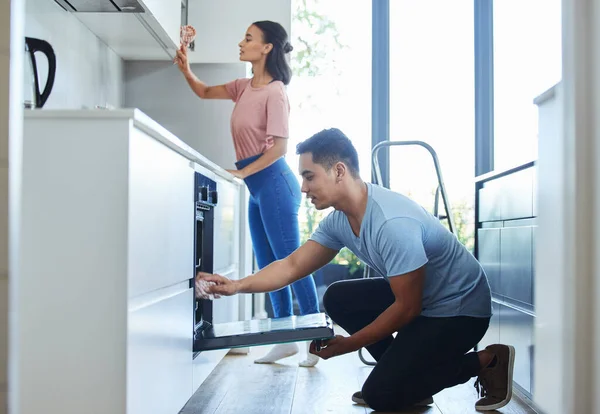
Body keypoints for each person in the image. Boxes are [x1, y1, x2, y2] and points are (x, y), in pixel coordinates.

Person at [196, 128, 516, 412]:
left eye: (309, 176)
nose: (303, 188)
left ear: (338, 171)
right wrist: (235, 285)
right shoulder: (340, 221)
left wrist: (348, 345)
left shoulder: (391, 223)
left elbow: (407, 308)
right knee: (339, 298)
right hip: (427, 301)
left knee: (380, 395)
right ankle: (410, 381)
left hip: (460, 311)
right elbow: (292, 265)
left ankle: (487, 361)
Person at [175, 21, 320, 367]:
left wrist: (240, 171)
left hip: (274, 184)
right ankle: (284, 338)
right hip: (257, 188)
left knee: (293, 264)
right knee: (270, 265)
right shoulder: (243, 87)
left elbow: (280, 148)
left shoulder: (276, 92)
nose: (241, 43)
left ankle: (316, 338)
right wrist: (186, 68)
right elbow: (204, 92)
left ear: (267, 48)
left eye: (249, 38)